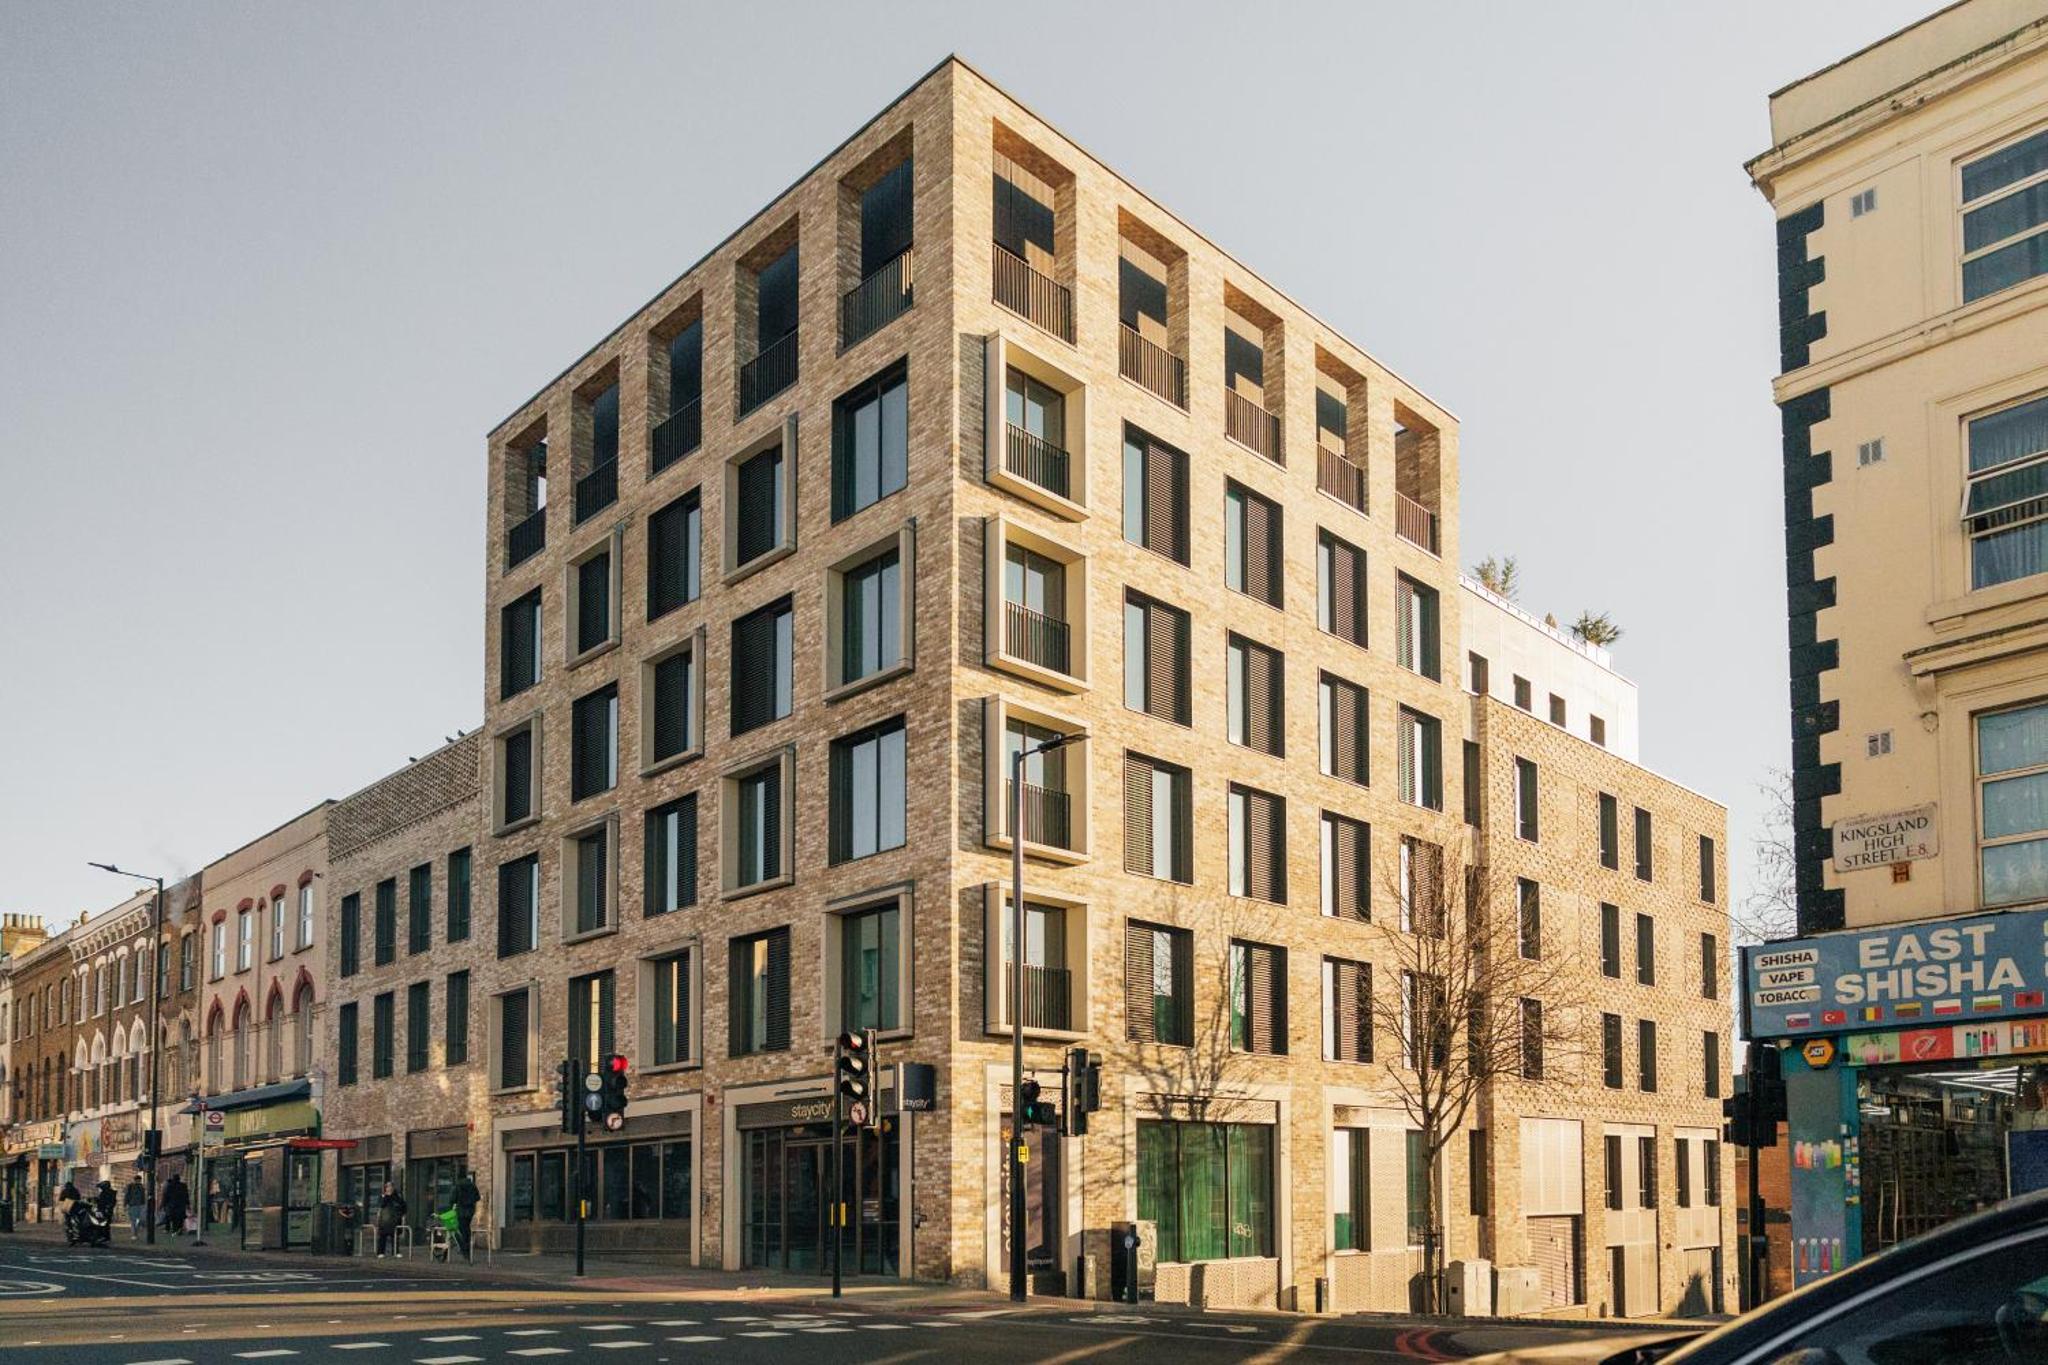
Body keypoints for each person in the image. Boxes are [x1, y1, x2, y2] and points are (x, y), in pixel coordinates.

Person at [452, 1171, 480, 1262]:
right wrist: (470, 1201)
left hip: (461, 1211)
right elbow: (478, 1197)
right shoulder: (472, 1185)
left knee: (459, 1230)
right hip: (470, 1211)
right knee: (466, 1228)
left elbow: (453, 1199)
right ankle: (466, 1246)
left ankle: (465, 1249)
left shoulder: (458, 1186)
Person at [374, 1182, 406, 1258]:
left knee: (395, 1237)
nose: (390, 1188)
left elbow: (403, 1206)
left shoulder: (397, 1197)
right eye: (388, 1187)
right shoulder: (383, 1197)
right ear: (385, 1188)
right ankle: (381, 1252)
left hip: (395, 1220)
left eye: (391, 1186)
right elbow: (381, 1205)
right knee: (382, 1237)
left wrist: (400, 1215)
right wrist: (386, 1196)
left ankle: (395, 1251)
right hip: (384, 1220)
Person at [123, 1175, 147, 1240]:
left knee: (135, 1221)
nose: (139, 1181)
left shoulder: (139, 1187)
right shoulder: (133, 1186)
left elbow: (127, 1196)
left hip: (135, 1205)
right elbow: (127, 1195)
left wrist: (125, 1204)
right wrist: (125, 1204)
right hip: (134, 1205)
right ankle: (134, 1234)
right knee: (135, 1220)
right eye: (138, 1180)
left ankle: (135, 1234)